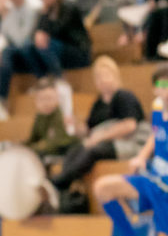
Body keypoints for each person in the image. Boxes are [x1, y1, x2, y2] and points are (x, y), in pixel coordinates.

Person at [96, 64, 168, 236]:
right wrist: (142, 156)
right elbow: (156, 134)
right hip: (153, 180)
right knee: (103, 188)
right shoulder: (157, 108)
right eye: (163, 84)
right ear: (155, 89)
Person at [52, 56, 150, 191]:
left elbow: (130, 125)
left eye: (106, 75)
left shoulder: (124, 96)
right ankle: (64, 183)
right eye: (98, 77)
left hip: (129, 142)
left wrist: (100, 137)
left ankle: (61, 182)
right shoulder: (98, 103)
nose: (102, 80)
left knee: (94, 150)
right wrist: (73, 123)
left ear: (115, 75)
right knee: (76, 149)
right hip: (103, 142)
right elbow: (87, 130)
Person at [24, 78, 79, 159]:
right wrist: (20, 148)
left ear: (56, 98)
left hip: (66, 153)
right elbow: (33, 139)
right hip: (48, 152)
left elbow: (52, 144)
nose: (46, 103)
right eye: (42, 99)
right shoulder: (39, 117)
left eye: (49, 98)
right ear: (36, 101)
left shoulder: (60, 115)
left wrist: (29, 150)